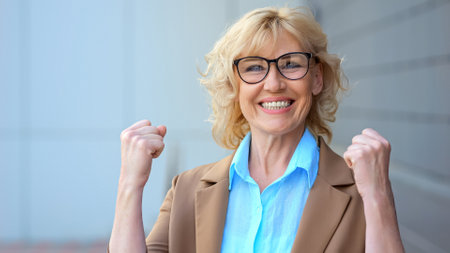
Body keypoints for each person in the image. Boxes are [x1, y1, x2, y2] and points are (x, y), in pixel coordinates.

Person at [109, 6, 404, 253]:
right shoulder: (186, 190)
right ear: (233, 87)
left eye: (290, 64)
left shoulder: (361, 189)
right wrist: (129, 186)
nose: (273, 84)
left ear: (316, 78)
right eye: (253, 67)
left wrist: (378, 198)